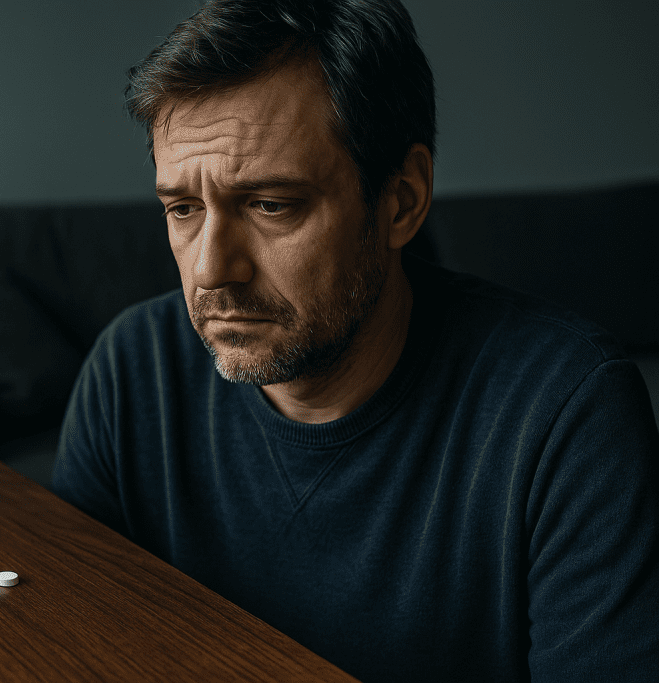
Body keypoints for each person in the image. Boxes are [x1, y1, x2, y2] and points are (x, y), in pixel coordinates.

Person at [52, 1, 659, 680]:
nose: (210, 268)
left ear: (402, 200)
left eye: (270, 204)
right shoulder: (131, 372)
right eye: (183, 209)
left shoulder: (567, 413)